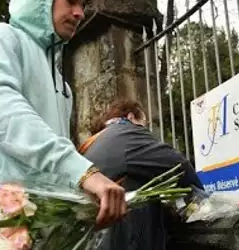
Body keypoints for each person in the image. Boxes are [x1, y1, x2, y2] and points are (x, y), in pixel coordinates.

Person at [0, 0, 127, 242]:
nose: (79, 13)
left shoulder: (63, 84)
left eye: (83, 5)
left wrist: (80, 199)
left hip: (47, 215)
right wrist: (84, 173)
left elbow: (50, 160)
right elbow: (1, 116)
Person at [80, 98, 203, 250]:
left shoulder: (93, 142)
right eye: (144, 124)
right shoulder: (128, 133)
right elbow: (179, 166)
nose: (146, 131)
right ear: (131, 117)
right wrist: (203, 202)